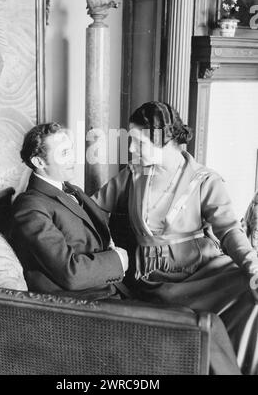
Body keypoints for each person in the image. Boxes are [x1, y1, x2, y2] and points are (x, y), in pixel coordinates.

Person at [92, 101, 258, 375]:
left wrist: (253, 269)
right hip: (156, 279)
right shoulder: (133, 175)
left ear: (164, 141)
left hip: (205, 272)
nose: (131, 150)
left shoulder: (206, 180)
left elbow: (229, 230)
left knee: (252, 301)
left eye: (138, 142)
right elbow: (93, 207)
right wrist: (103, 247)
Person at [11, 122, 128, 299]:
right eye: (64, 153)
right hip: (81, 303)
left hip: (108, 287)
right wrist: (117, 260)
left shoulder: (70, 188)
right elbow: (70, 273)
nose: (73, 158)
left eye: (71, 150)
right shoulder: (30, 207)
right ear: (39, 161)